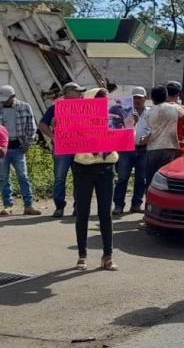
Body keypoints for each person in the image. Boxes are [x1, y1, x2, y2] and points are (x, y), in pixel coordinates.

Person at [73, 88, 119, 272]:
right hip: (83, 168)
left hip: (106, 167)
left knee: (105, 214)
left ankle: (107, 256)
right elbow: (67, 139)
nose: (103, 104)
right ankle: (82, 255)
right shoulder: (77, 119)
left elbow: (125, 139)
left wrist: (129, 125)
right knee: (82, 212)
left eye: (105, 101)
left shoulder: (114, 117)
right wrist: (60, 127)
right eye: (99, 101)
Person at [141, 85, 184, 191]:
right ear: (165, 96)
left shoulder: (148, 112)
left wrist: (143, 139)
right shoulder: (175, 108)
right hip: (170, 149)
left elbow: (150, 134)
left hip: (152, 150)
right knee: (165, 182)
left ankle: (150, 204)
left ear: (152, 98)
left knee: (151, 183)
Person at [38, 82, 85, 218]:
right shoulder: (55, 108)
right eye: (78, 91)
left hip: (80, 148)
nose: (81, 94)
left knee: (80, 178)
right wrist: (53, 137)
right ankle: (59, 207)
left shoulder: (85, 108)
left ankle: (78, 207)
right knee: (60, 178)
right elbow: (42, 124)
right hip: (62, 148)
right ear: (69, 92)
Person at [0, 85, 41, 216]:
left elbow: (32, 127)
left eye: (6, 99)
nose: (3, 101)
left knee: (23, 177)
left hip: (19, 146)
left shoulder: (24, 107)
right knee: (4, 177)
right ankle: (8, 205)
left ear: (13, 96)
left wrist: (28, 144)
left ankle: (28, 206)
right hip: (2, 148)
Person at [113, 87, 149, 215]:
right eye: (135, 98)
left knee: (141, 179)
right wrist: (131, 121)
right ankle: (118, 205)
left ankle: (136, 205)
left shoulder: (150, 113)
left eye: (140, 97)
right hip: (126, 149)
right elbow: (117, 129)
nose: (137, 100)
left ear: (145, 98)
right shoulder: (124, 112)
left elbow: (153, 130)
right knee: (122, 178)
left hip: (143, 149)